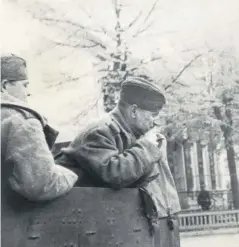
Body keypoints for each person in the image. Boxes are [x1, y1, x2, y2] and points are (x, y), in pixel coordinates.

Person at [56, 76, 181, 221]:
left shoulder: (134, 135)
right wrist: (147, 147)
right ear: (134, 111)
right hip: (74, 219)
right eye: (153, 115)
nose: (155, 122)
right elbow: (115, 174)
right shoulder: (100, 131)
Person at [1, 54, 77, 201]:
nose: (27, 92)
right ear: (4, 86)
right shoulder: (21, 122)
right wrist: (71, 175)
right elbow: (42, 185)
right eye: (24, 85)